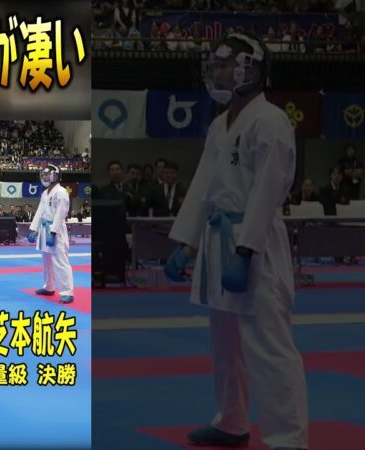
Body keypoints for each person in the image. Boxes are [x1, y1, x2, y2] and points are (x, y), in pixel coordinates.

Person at [165, 33, 308, 450]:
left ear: (250, 69)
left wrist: (246, 249)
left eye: (225, 64)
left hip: (255, 241)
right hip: (218, 238)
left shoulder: (271, 121)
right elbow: (204, 187)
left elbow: (268, 190)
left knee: (269, 346)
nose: (217, 72)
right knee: (225, 343)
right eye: (215, 64)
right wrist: (187, 244)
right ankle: (231, 421)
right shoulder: (219, 124)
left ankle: (288, 439)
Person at [27, 164, 74, 304]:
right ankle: (49, 286)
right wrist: (34, 229)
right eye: (44, 175)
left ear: (55, 175)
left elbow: (61, 213)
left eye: (47, 174)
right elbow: (40, 212)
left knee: (60, 261)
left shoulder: (61, 192)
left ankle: (67, 292)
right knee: (46, 261)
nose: (45, 177)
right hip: (44, 228)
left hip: (56, 229)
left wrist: (53, 232)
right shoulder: (45, 193)